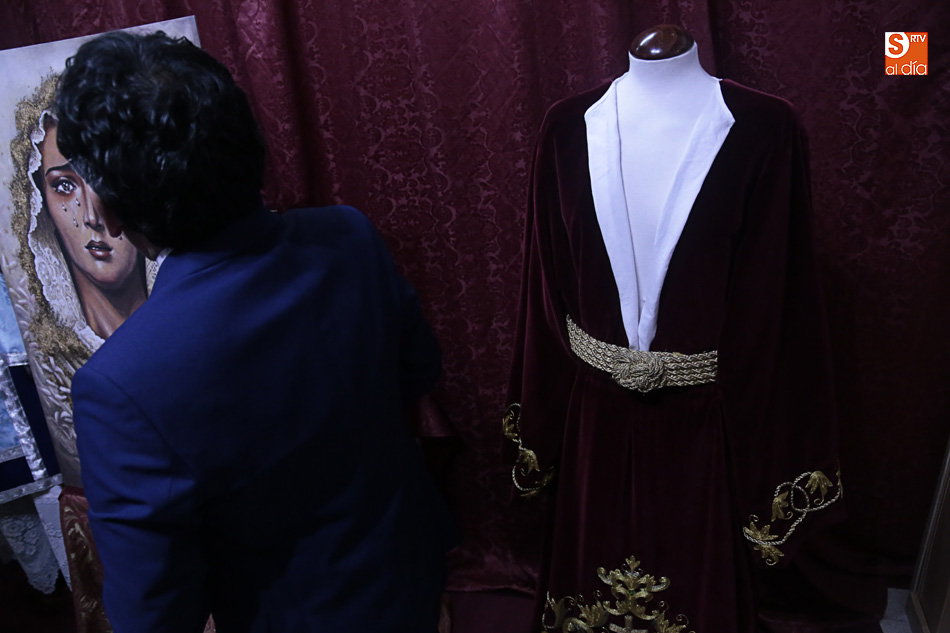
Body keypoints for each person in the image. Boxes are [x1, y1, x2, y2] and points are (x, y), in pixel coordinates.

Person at [59, 30, 456, 633]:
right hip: (411, 573)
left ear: (109, 211)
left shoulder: (120, 385)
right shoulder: (348, 236)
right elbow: (418, 371)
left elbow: (154, 612)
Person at [504, 29, 842, 633]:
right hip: (594, 422)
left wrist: (769, 446)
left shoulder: (767, 128)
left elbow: (780, 298)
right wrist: (542, 418)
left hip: (703, 424)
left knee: (695, 588)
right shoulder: (565, 127)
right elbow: (545, 288)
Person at [7, 74, 154, 485]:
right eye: (65, 186)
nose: (91, 216)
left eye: (104, 178)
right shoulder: (65, 376)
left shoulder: (196, 320)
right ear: (41, 210)